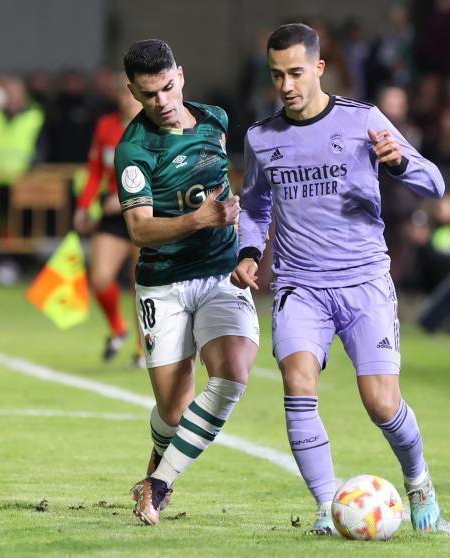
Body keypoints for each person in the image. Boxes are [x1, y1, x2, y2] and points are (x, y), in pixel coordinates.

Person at [233, 23, 444, 535]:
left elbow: (434, 183)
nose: (287, 85)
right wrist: (247, 251)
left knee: (381, 403)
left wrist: (395, 163)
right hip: (299, 286)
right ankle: (330, 508)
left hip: (365, 282)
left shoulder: (363, 121)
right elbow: (256, 206)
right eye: (277, 75)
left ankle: (417, 479)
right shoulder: (261, 138)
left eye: (297, 73)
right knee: (297, 381)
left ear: (320, 68)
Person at [115, 39, 260, 526]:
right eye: (149, 93)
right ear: (133, 91)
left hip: (220, 272)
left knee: (234, 371)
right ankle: (159, 456)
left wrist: (244, 248)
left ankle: (159, 482)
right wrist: (198, 220)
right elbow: (139, 229)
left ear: (181, 74)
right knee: (173, 413)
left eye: (168, 87)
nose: (162, 101)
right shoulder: (135, 150)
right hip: (164, 283)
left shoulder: (216, 119)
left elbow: (224, 189)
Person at [73, 75, 145, 366]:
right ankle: (118, 327)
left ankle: (144, 349)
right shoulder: (106, 126)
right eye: (124, 94)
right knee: (100, 277)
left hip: (146, 213)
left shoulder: (156, 128)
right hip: (113, 215)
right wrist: (83, 206)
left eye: (134, 95)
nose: (129, 99)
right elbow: (94, 172)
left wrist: (130, 197)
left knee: (142, 285)